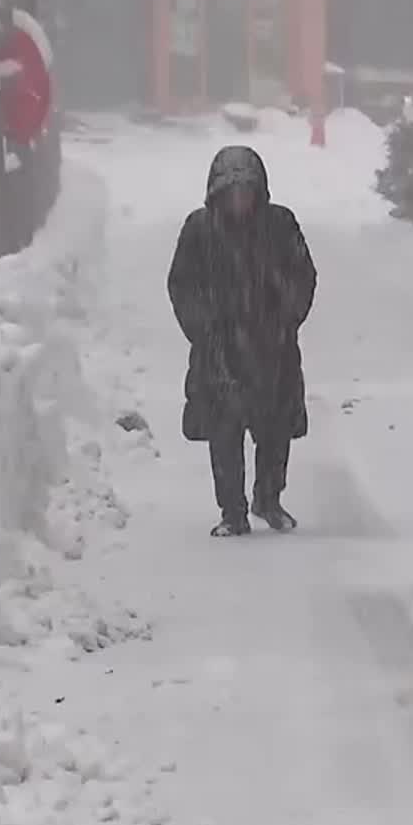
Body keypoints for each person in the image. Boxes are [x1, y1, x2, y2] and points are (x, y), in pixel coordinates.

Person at [168, 145, 317, 537]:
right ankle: (232, 510)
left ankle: (269, 499)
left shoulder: (280, 226)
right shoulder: (199, 230)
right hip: (219, 351)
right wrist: (203, 327)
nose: (240, 201)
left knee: (275, 429)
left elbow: (304, 276)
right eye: (232, 192)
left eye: (247, 192)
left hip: (273, 348)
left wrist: (285, 314)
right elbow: (181, 285)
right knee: (224, 431)